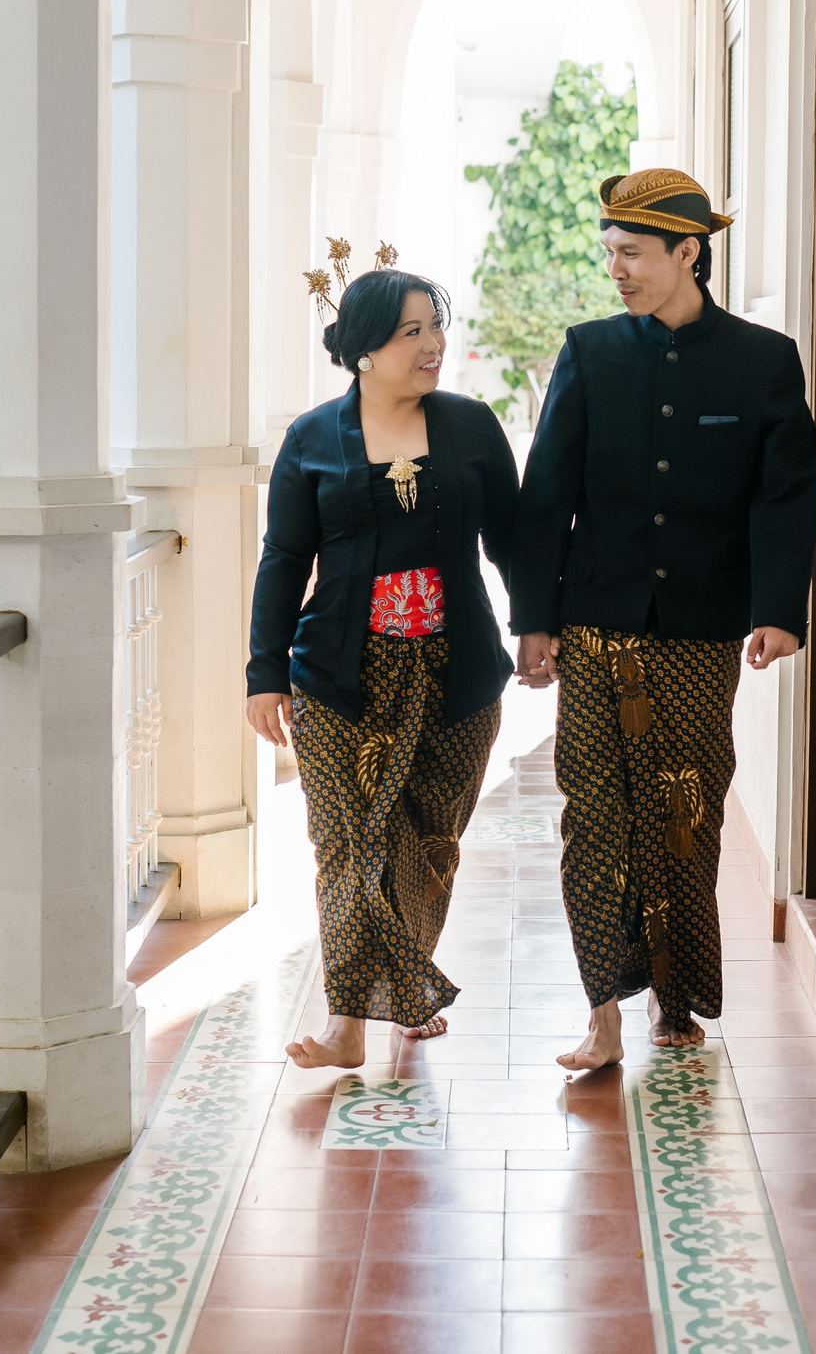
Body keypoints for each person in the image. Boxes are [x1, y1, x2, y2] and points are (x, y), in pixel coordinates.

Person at [508, 168, 816, 1070]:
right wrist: (535, 617)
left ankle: (675, 1000)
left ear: (690, 252)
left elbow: (785, 495)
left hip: (700, 631)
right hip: (597, 623)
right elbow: (546, 496)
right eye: (609, 253)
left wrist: (779, 610)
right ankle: (602, 1011)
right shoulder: (590, 352)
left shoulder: (763, 361)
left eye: (633, 254)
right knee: (594, 819)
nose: (617, 270)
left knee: (683, 814)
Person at [247, 266, 520, 1069]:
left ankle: (403, 979)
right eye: (413, 332)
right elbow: (285, 556)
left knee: (428, 843)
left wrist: (539, 628)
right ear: (366, 349)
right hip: (338, 676)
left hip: (457, 674)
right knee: (346, 845)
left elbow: (513, 539)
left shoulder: (472, 427)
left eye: (436, 326)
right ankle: (348, 1023)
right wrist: (264, 671)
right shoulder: (312, 437)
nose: (434, 344)